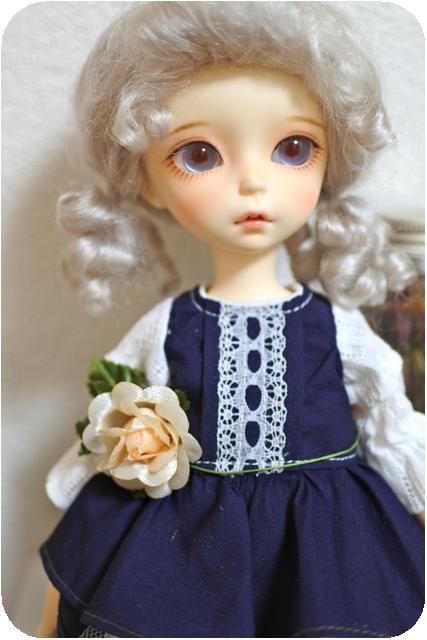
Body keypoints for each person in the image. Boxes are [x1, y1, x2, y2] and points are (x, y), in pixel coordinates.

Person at [37, 2, 424, 637]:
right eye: (199, 154)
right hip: (189, 544)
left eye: (293, 148)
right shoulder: (167, 325)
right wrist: (73, 481)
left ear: (330, 160)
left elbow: (388, 416)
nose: (252, 183)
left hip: (325, 544)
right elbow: (111, 418)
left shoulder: (337, 326)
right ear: (148, 182)